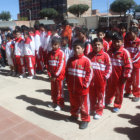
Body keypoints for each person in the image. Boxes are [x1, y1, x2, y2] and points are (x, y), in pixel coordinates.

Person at [65, 40, 93, 129]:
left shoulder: (86, 61)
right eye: (74, 48)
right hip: (72, 87)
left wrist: (85, 85)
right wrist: (68, 82)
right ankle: (74, 115)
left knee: (83, 104)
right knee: (73, 102)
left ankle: (85, 119)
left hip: (82, 88)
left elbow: (90, 73)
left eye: (78, 48)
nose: (76, 50)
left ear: (83, 49)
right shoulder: (70, 60)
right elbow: (67, 71)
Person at [105, 33, 132, 112]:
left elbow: (128, 65)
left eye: (118, 42)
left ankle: (117, 105)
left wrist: (125, 76)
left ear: (122, 42)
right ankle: (108, 100)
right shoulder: (109, 52)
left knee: (119, 92)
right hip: (110, 76)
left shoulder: (125, 52)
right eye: (114, 42)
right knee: (109, 89)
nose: (116, 44)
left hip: (120, 77)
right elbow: (106, 63)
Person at [88, 38, 112, 119]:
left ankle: (99, 111)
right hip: (91, 81)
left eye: (99, 44)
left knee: (100, 96)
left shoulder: (105, 56)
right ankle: (92, 108)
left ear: (102, 45)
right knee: (92, 95)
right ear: (92, 46)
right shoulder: (89, 55)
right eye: (95, 45)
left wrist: (105, 77)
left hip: (101, 80)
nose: (97, 46)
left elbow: (109, 67)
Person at [46, 37, 66, 111]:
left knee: (59, 91)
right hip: (52, 77)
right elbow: (47, 64)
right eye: (52, 44)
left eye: (56, 44)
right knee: (53, 90)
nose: (54, 46)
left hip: (59, 77)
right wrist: (49, 74)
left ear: (59, 45)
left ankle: (60, 104)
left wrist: (55, 75)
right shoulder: (50, 54)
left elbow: (61, 65)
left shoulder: (61, 53)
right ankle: (54, 102)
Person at [124, 27, 140, 102]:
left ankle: (137, 94)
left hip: (136, 64)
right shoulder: (127, 41)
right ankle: (128, 91)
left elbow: (138, 54)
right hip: (128, 63)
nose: (129, 34)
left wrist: (132, 61)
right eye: (129, 33)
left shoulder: (138, 42)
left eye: (131, 33)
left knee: (136, 80)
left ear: (136, 33)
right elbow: (125, 52)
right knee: (128, 78)